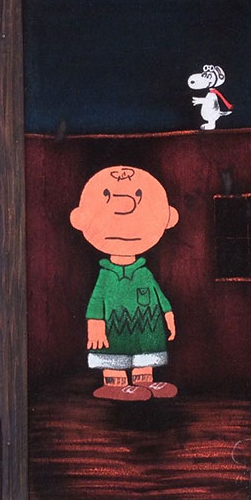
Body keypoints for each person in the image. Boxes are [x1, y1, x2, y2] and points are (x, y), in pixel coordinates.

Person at [70, 165, 179, 401]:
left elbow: (159, 295)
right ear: (79, 219)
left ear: (168, 218)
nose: (124, 209)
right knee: (115, 352)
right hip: (114, 328)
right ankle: (114, 383)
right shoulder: (106, 274)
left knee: (145, 351)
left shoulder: (144, 272)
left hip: (147, 325)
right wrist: (95, 324)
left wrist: (168, 315)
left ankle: (145, 380)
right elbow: (97, 299)